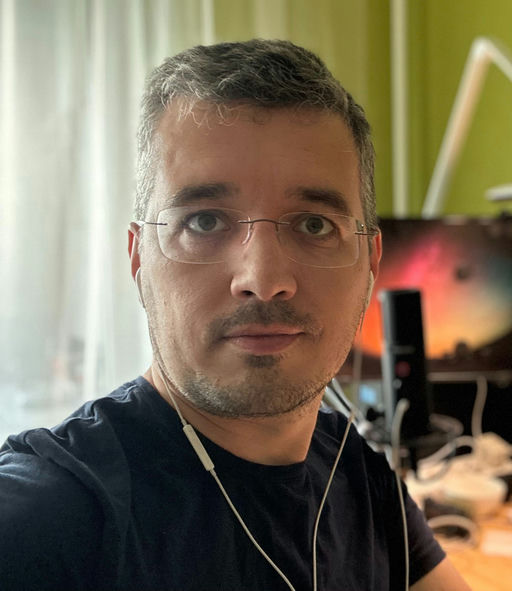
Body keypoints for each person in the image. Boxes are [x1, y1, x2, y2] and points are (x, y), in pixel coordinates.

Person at [0, 39, 470, 591]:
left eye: (314, 224)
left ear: (370, 262)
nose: (263, 279)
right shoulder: (46, 519)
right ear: (138, 259)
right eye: (204, 221)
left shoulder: (356, 468)